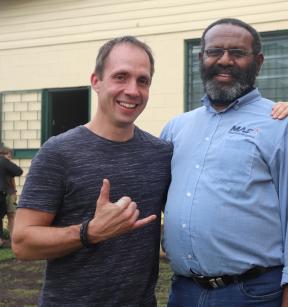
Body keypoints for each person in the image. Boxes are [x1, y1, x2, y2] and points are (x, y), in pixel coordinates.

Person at [160, 18, 288, 307]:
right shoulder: (176, 128)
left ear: (258, 62)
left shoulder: (284, 125)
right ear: (201, 58)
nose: (224, 60)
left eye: (237, 52)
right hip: (183, 291)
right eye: (215, 52)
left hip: (254, 294)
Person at [12, 36, 172, 306]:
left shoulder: (161, 154)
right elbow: (22, 242)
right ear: (96, 82)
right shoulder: (58, 153)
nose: (133, 90)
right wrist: (90, 232)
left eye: (142, 80)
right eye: (120, 77)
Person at [0, 147, 23, 247]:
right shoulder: (4, 162)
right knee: (11, 215)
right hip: (7, 193)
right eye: (9, 155)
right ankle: (13, 239)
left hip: (6, 192)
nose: (10, 157)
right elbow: (19, 171)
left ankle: (1, 239)